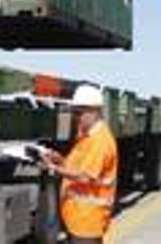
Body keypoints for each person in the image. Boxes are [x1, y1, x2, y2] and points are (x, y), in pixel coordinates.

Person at [41, 85, 118, 244]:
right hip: (78, 219)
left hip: (88, 222)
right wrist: (59, 160)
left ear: (95, 111)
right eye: (74, 112)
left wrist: (54, 169)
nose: (76, 117)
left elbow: (85, 176)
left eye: (79, 112)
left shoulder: (100, 141)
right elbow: (78, 166)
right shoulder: (87, 137)